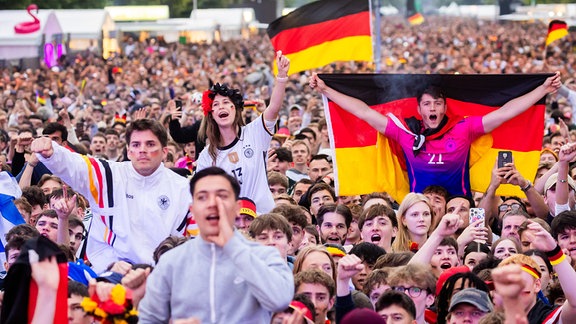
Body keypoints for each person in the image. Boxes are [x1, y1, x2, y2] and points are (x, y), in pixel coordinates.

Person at [309, 72, 561, 196]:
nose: (432, 108)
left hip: (459, 205)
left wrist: (542, 90)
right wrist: (326, 90)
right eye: (427, 104)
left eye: (437, 103)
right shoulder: (405, 132)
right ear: (419, 109)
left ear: (444, 107)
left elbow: (505, 113)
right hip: (419, 211)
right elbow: (363, 112)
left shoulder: (464, 128)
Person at [31, 119, 192, 273]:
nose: (142, 150)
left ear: (165, 151)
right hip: (110, 270)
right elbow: (76, 164)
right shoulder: (107, 174)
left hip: (161, 273)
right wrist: (52, 152)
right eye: (136, 145)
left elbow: (190, 241)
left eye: (150, 144)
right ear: (128, 151)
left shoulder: (183, 188)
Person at [138, 167, 293, 323]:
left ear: (237, 207)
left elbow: (279, 299)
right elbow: (149, 319)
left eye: (221, 196)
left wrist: (232, 245)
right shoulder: (171, 262)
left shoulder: (264, 256)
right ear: (193, 209)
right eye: (202, 197)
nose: (212, 204)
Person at [195, 51, 290, 214]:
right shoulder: (206, 157)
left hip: (263, 221)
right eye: (216, 105)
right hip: (230, 224)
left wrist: (281, 76)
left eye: (226, 102)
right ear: (211, 115)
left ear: (235, 109)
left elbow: (273, 108)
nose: (221, 107)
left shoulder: (255, 132)